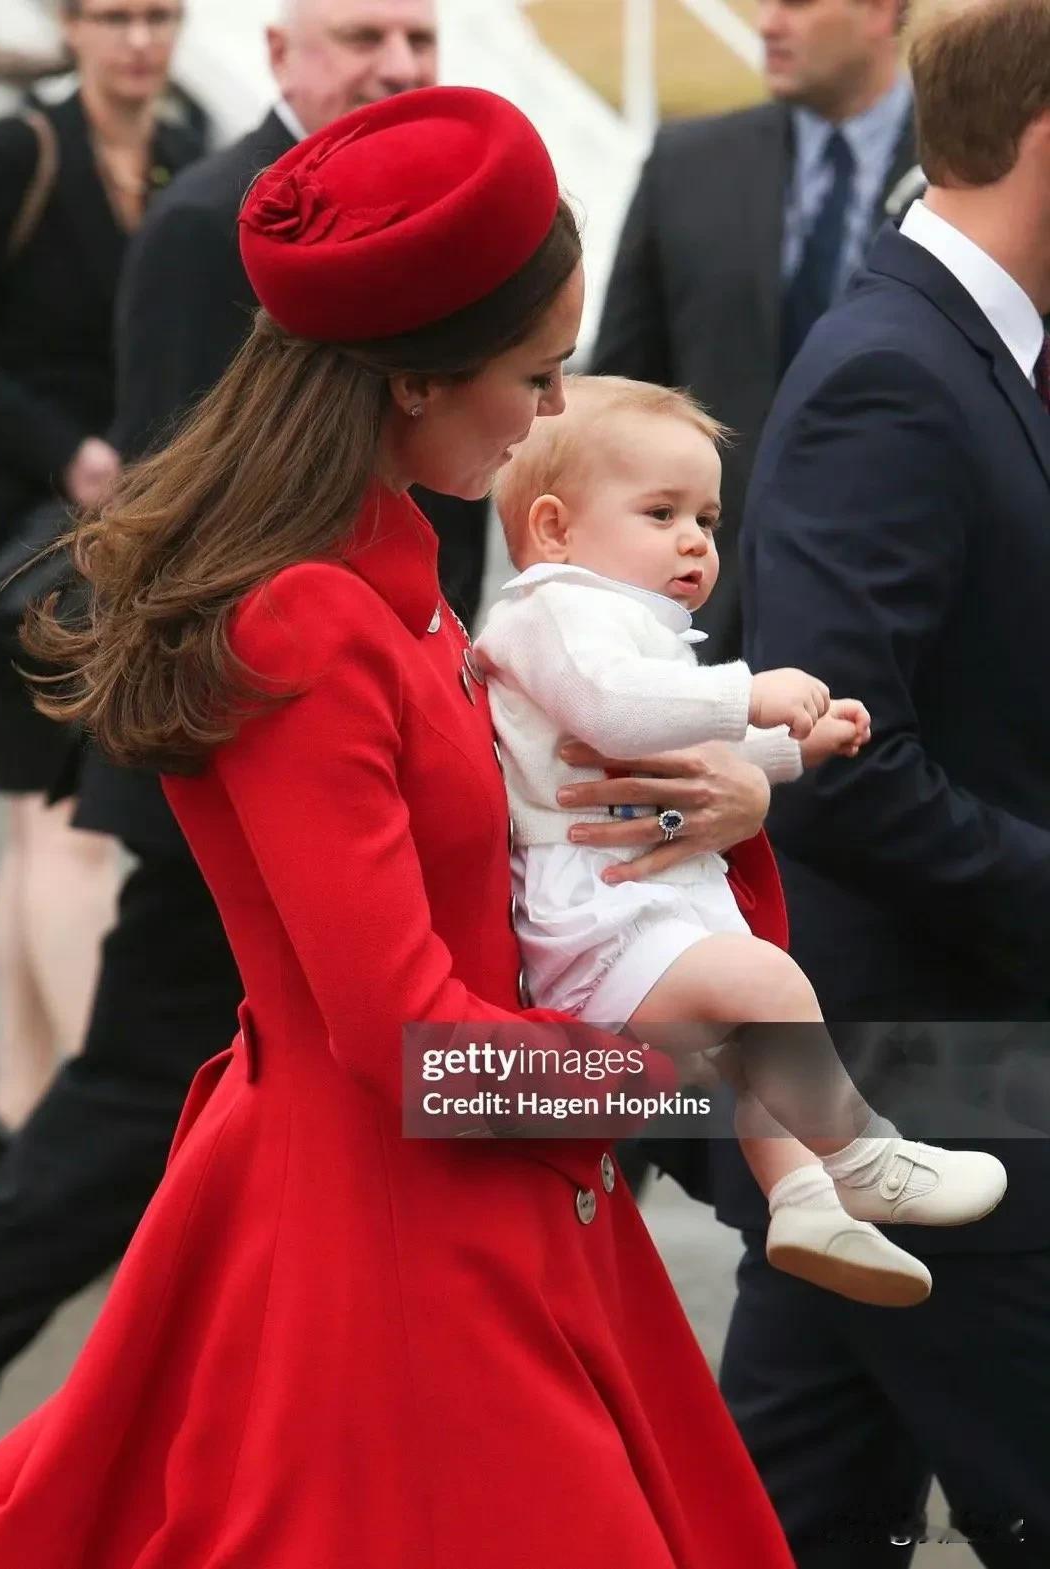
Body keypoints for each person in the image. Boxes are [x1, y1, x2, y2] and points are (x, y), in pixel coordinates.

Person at [0, 89, 796, 1568]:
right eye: (537, 374)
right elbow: (408, 1039)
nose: (555, 413)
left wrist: (721, 808)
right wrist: (652, 1080)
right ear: (414, 381)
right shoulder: (312, 619)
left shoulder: (387, 583)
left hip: (451, 1209)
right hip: (398, 1252)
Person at [725, 0, 1050, 1560]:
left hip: (906, 1089)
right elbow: (833, 768)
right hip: (928, 1079)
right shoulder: (896, 373)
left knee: (793, 1506)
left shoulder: (976, 351)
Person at [475, 372, 1006, 1310]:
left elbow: (680, 749)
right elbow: (618, 709)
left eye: (709, 518)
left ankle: (802, 1198)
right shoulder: (553, 609)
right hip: (603, 918)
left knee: (761, 1045)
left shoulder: (623, 622)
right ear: (555, 528)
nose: (694, 539)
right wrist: (747, 692)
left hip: (644, 904)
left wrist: (790, 746)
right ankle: (863, 1154)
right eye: (662, 511)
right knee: (770, 990)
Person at [0, 0, 195, 1172]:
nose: (139, 40)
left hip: (136, 541)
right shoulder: (19, 151)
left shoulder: (189, 141)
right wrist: (65, 450)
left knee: (39, 824)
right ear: (72, 26)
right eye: (113, 15)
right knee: (67, 826)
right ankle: (91, 1142)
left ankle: (20, 1109)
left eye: (159, 15)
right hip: (26, 545)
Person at [592, 0, 915, 663]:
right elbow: (617, 403)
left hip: (908, 618)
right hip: (704, 620)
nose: (768, 24)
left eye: (795, 3)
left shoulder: (976, 170)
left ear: (882, 11)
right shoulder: (686, 166)